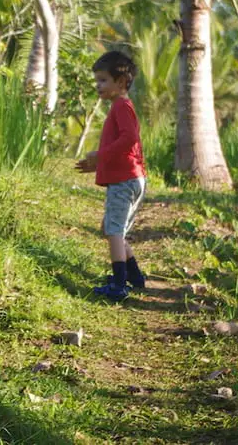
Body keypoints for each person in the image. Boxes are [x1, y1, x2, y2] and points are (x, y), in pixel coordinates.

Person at [75, 51, 146, 300]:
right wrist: (97, 163)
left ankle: (119, 284)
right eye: (97, 80)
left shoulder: (121, 106)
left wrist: (99, 154)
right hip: (130, 177)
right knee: (112, 228)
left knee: (114, 231)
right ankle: (134, 276)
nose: (98, 86)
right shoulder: (121, 106)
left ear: (121, 82)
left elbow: (129, 140)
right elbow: (124, 149)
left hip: (125, 181)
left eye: (103, 80)